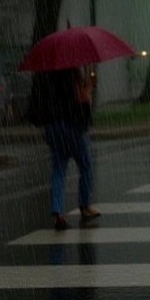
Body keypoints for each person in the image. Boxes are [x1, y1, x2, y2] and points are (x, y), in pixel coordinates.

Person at [27, 65, 101, 230]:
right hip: (71, 125)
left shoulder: (45, 73)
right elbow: (79, 97)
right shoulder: (71, 71)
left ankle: (57, 210)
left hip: (52, 126)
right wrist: (89, 86)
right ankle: (84, 205)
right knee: (86, 166)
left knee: (59, 170)